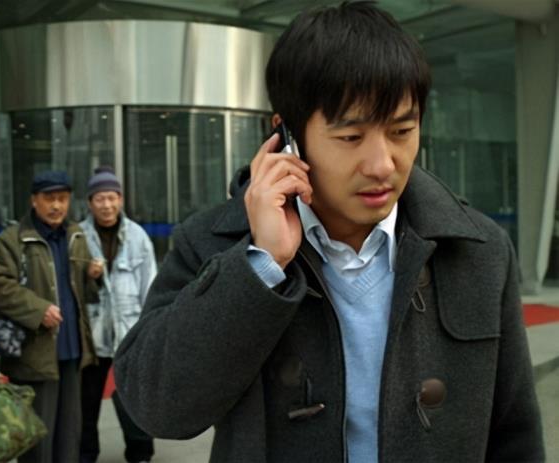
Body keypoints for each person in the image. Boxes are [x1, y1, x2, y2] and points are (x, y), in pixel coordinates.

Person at [113, 2, 545, 462]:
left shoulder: (478, 249)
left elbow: (516, 436)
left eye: (402, 131)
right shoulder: (214, 244)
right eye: (350, 137)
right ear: (287, 136)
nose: (382, 165)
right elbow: (155, 408)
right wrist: (261, 265)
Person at [0, 170, 97, 463]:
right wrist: (37, 309)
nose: (57, 205)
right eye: (49, 199)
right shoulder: (13, 239)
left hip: (73, 349)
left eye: (62, 199)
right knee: (37, 438)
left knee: (69, 434)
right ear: (34, 200)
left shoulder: (76, 235)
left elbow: (83, 291)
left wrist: (92, 275)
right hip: (34, 353)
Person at [79, 167, 156, 463]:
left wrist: (148, 331)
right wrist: (88, 276)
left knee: (133, 400)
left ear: (120, 199)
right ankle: (86, 454)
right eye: (100, 199)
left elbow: (150, 286)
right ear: (90, 202)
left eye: (112, 198)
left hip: (129, 331)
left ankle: (140, 454)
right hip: (92, 335)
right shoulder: (78, 236)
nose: (107, 205)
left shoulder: (138, 236)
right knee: (86, 402)